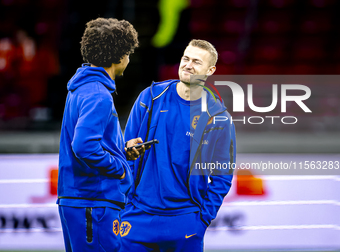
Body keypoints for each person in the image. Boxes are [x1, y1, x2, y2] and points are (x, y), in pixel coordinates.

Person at [121, 39, 236, 251]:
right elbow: (123, 153)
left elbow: (222, 176)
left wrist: (202, 220)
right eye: (186, 58)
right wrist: (126, 201)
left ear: (210, 70)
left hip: (185, 221)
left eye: (196, 62)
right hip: (137, 217)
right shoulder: (151, 97)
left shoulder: (218, 116)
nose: (188, 65)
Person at [57, 17, 142, 252]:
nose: (129, 58)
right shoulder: (98, 95)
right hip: (92, 200)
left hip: (81, 199)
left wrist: (121, 150)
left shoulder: (81, 88)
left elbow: (89, 142)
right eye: (128, 52)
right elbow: (84, 146)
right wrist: (121, 166)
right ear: (119, 56)